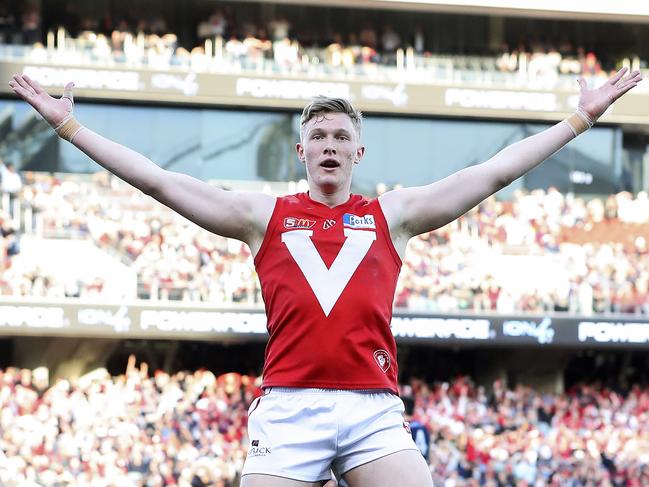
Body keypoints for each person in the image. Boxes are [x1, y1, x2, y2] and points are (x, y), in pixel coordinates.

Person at [8, 67, 641, 487]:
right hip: (290, 408)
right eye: (319, 135)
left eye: (342, 134)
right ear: (302, 152)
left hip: (372, 409)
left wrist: (580, 120)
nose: (330, 143)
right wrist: (68, 126)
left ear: (358, 152)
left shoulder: (393, 215)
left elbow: (494, 174)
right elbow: (159, 180)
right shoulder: (264, 216)